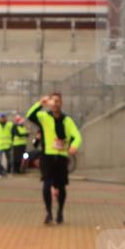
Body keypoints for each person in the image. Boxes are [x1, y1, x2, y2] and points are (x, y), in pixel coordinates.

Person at [26, 93, 82, 224]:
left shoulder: (67, 120)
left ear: (61, 103)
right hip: (47, 156)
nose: (55, 103)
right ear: (50, 103)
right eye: (53, 101)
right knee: (47, 183)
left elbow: (77, 135)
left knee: (61, 187)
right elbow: (30, 115)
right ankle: (48, 212)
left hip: (62, 157)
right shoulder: (44, 117)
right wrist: (40, 104)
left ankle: (60, 211)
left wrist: (74, 146)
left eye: (58, 101)